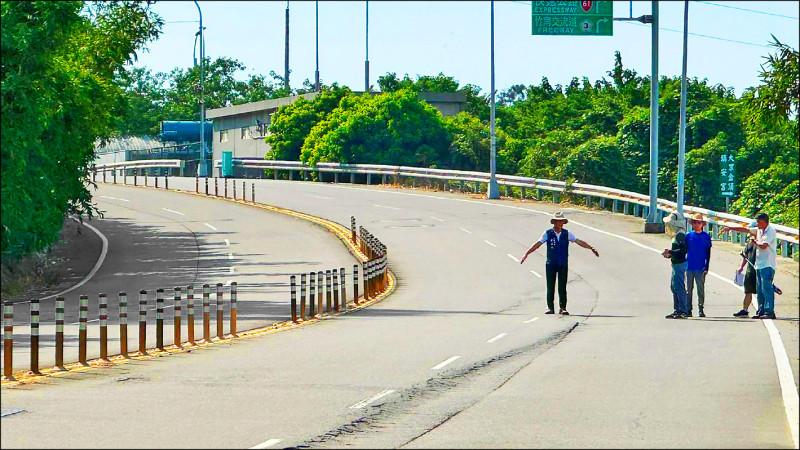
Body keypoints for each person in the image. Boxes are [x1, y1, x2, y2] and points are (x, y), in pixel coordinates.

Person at [519, 211, 599, 315]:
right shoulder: (547, 233)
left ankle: (563, 307)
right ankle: (549, 307)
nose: (560, 223)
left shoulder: (567, 233)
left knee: (562, 286)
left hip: (562, 263)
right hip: (551, 263)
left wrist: (591, 248)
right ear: (554, 222)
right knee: (550, 286)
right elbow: (538, 244)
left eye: (562, 221)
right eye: (558, 221)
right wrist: (527, 253)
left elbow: (579, 241)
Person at [721, 213, 777, 320]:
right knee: (760, 289)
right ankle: (761, 311)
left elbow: (764, 245)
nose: (757, 224)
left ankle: (769, 311)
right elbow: (746, 230)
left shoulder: (770, 231)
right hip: (759, 265)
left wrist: (756, 242)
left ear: (763, 222)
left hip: (768, 264)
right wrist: (730, 228)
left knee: (767, 289)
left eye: (758, 222)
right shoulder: (759, 230)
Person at [662, 212, 689, 319]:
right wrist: (671, 254)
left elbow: (683, 250)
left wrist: (671, 252)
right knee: (674, 287)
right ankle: (677, 309)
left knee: (679, 287)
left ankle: (682, 310)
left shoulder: (680, 234)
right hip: (675, 263)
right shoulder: (677, 234)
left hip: (679, 264)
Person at [685, 213, 712, 317]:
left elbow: (708, 252)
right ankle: (688, 309)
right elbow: (685, 249)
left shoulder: (706, 236)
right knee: (689, 289)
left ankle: (701, 308)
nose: (697, 224)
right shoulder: (688, 235)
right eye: (695, 222)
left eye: (699, 222)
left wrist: (707, 266)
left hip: (700, 266)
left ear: (702, 224)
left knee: (700, 289)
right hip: (689, 265)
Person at [733, 236, 758, 317]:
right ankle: (745, 310)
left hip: (759, 270)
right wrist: (741, 267)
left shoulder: (761, 242)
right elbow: (745, 256)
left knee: (761, 292)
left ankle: (762, 310)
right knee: (748, 291)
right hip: (750, 270)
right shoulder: (749, 243)